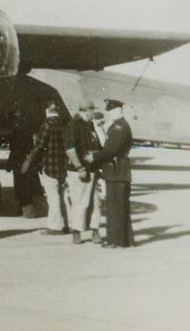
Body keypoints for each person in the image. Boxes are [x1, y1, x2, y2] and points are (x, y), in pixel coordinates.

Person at [88, 99, 135, 248]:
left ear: (117, 111)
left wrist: (94, 156)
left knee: (116, 208)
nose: (108, 114)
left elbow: (112, 150)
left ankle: (117, 241)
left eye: (110, 111)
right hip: (117, 171)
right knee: (118, 207)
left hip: (117, 171)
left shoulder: (120, 127)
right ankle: (124, 241)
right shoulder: (119, 125)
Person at [23, 101, 70, 235]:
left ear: (47, 110)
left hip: (50, 166)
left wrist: (30, 161)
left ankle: (55, 227)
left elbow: (40, 147)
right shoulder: (62, 125)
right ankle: (67, 225)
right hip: (62, 166)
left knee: (53, 197)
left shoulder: (46, 125)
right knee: (63, 196)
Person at [65, 100, 104, 244]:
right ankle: (76, 232)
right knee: (80, 203)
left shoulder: (89, 125)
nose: (94, 113)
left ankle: (95, 231)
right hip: (79, 172)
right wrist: (80, 168)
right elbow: (70, 149)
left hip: (92, 170)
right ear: (87, 111)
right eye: (93, 111)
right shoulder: (74, 125)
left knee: (96, 202)